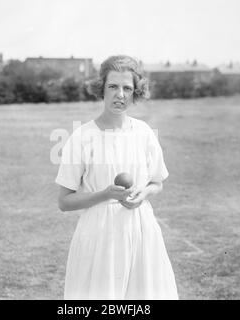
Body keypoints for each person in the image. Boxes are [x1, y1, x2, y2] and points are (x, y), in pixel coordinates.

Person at [55, 55, 179, 299]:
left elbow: (157, 182)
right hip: (100, 236)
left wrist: (143, 194)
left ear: (136, 93)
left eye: (127, 88)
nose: (120, 94)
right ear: (101, 88)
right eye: (113, 86)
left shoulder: (143, 133)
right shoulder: (82, 137)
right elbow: (64, 201)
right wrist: (105, 194)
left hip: (141, 231)